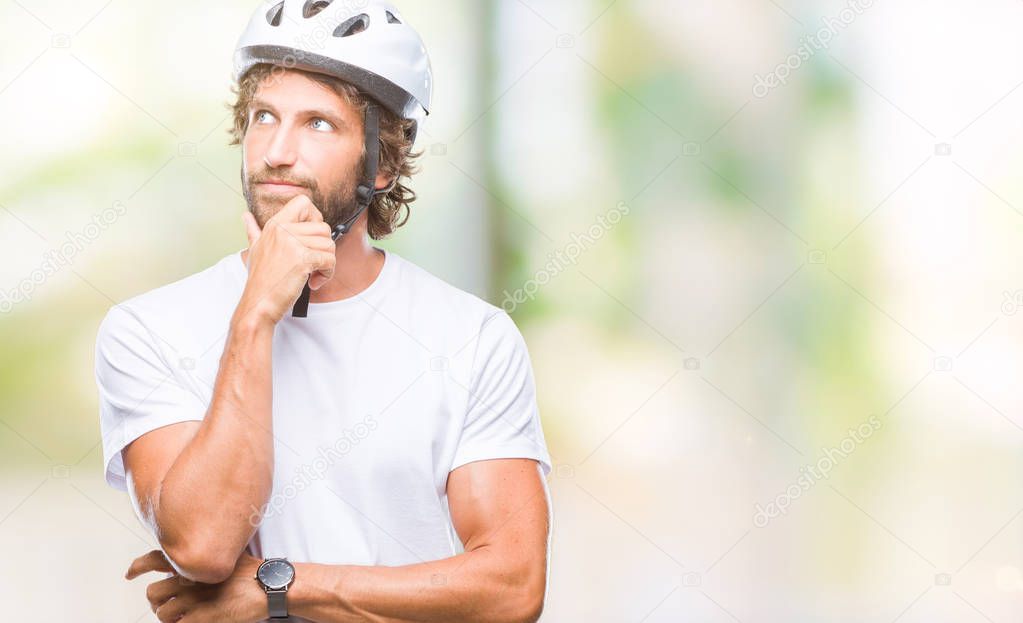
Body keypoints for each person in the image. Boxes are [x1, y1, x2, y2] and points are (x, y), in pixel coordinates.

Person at [94, 2, 554, 621]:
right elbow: (202, 545)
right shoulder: (145, 330)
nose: (278, 152)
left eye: (318, 124)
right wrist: (255, 312)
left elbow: (512, 588)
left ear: (383, 163)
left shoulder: (474, 336)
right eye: (264, 117)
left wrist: (278, 587)